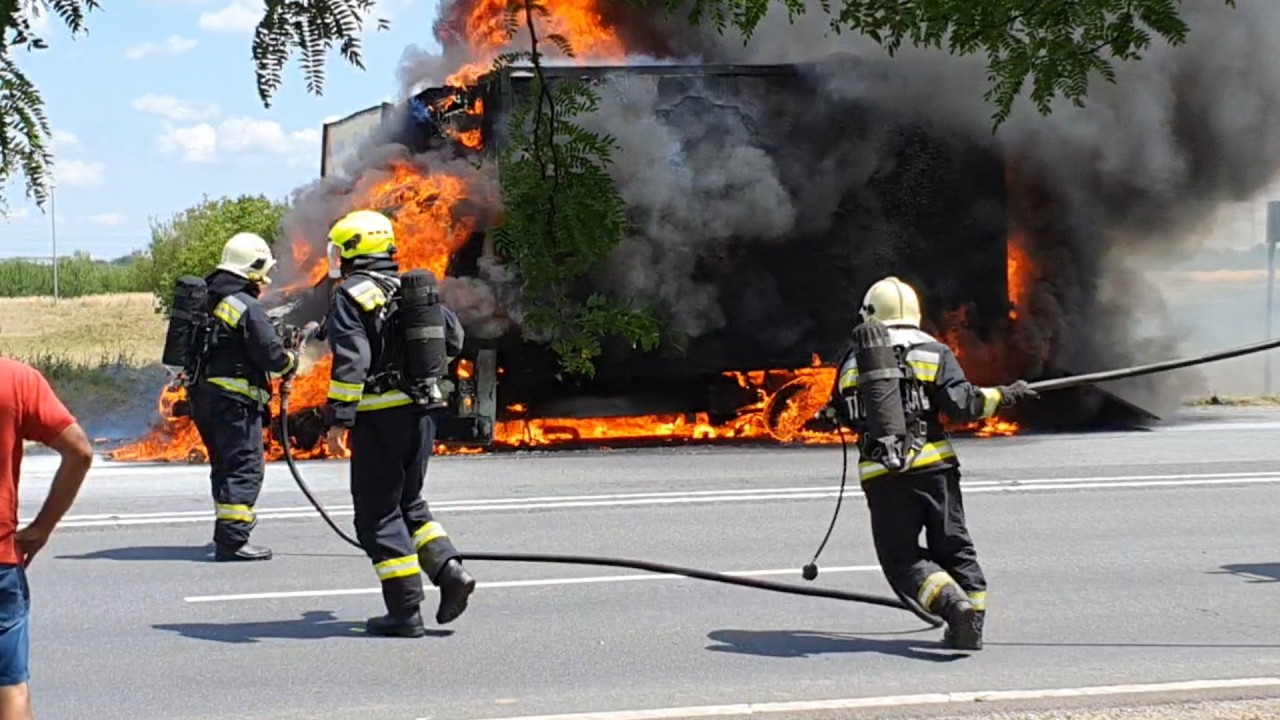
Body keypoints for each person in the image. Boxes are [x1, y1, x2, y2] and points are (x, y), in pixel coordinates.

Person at [828, 275, 1037, 651]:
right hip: (936, 469)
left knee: (903, 560)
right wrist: (1006, 395)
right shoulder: (933, 352)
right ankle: (969, 623)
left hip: (883, 477)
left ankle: (953, 608)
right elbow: (963, 406)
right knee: (954, 548)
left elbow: (843, 414)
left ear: (869, 313)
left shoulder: (852, 362)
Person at [320, 209, 476, 638]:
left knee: (376, 515)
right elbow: (456, 340)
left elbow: (353, 362)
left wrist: (338, 421)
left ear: (353, 249)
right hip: (424, 414)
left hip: (380, 420)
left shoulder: (350, 295)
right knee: (410, 503)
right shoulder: (413, 290)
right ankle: (449, 572)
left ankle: (405, 612)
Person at [187, 232, 298, 562]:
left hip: (202, 397)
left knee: (224, 465)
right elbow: (272, 357)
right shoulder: (245, 306)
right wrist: (291, 359)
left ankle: (227, 530)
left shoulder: (207, 297)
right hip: (233, 403)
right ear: (254, 266)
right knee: (245, 467)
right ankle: (233, 541)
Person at [0, 356, 94, 719]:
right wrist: (42, 527)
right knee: (9, 686)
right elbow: (80, 452)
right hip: (2, 561)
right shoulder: (17, 379)